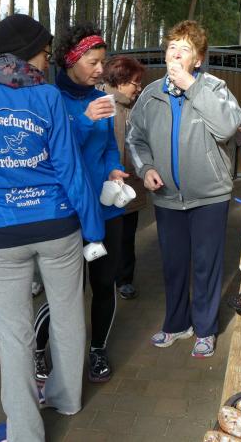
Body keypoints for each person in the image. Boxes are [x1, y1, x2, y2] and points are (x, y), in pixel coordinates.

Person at [0, 14, 105, 442]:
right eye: (44, 52)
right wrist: (93, 226)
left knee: (13, 336)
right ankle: (66, 399)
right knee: (69, 316)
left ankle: (23, 433)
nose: (46, 60)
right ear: (29, 52)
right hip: (57, 224)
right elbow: (69, 167)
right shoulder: (48, 95)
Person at [127, 20, 241, 358]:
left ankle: (205, 329)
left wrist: (192, 86)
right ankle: (177, 323)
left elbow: (227, 127)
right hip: (167, 198)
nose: (176, 54)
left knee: (207, 266)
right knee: (174, 265)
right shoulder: (151, 94)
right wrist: (146, 168)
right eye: (172, 47)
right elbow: (135, 138)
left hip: (210, 196)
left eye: (185, 49)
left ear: (198, 59)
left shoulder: (215, 88)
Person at [31, 55, 145, 384]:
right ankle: (38, 348)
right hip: (67, 211)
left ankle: (97, 349)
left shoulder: (101, 98)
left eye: (102, 62)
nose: (100, 70)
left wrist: (113, 169)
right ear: (71, 60)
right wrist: (84, 120)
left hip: (106, 208)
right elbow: (54, 156)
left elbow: (109, 147)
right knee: (66, 292)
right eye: (93, 62)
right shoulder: (50, 98)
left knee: (104, 284)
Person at [100, 56, 147, 299]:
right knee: (105, 235)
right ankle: (104, 280)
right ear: (120, 81)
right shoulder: (101, 105)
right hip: (107, 185)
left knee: (127, 236)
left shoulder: (135, 108)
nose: (138, 88)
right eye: (135, 83)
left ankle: (124, 279)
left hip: (131, 184)